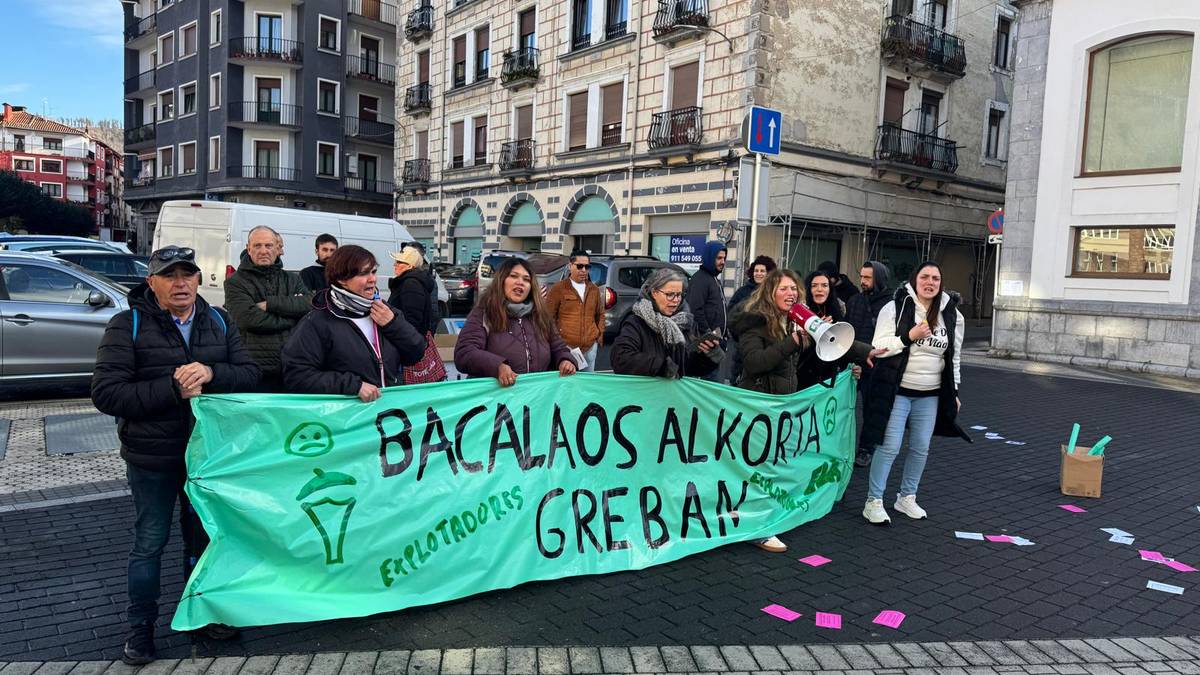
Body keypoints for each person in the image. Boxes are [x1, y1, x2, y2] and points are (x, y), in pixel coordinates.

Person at [90, 245, 260, 665]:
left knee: (203, 540)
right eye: (170, 275)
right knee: (150, 542)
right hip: (153, 459)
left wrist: (212, 372)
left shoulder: (219, 320)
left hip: (207, 457)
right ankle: (140, 628)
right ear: (152, 283)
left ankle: (202, 614)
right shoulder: (125, 324)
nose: (180, 283)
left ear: (199, 280)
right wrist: (172, 388)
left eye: (188, 274)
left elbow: (251, 374)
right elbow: (106, 393)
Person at [862, 261, 970, 525]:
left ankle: (906, 497)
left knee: (921, 448)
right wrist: (908, 336)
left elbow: (953, 357)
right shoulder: (896, 307)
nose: (930, 282)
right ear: (914, 280)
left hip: (930, 393)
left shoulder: (952, 315)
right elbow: (879, 346)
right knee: (890, 447)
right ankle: (873, 501)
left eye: (935, 277)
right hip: (897, 390)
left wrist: (953, 391)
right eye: (925, 277)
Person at [282, 246, 426, 399]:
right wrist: (353, 386)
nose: (373, 279)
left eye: (373, 271)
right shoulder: (318, 321)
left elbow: (416, 353)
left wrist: (393, 324)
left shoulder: (386, 311)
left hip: (389, 412)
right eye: (363, 273)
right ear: (342, 280)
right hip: (348, 418)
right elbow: (296, 375)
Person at [454, 257, 577, 386]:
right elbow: (465, 353)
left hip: (535, 396)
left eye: (526, 279)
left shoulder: (541, 315)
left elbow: (559, 348)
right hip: (495, 400)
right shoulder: (484, 312)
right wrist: (498, 366)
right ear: (502, 281)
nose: (520, 282)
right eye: (514, 276)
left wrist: (565, 360)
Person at [224, 226, 312, 391]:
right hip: (257, 370)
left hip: (292, 367)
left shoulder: (292, 279)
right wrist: (293, 316)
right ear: (248, 249)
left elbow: (309, 305)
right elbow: (250, 320)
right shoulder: (235, 282)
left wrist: (270, 304)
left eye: (268, 245)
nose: (263, 251)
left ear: (278, 249)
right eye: (257, 246)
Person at [611, 268, 721, 379]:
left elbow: (688, 368)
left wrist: (707, 356)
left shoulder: (686, 322)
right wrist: (661, 366)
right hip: (646, 394)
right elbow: (621, 359)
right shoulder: (636, 322)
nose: (675, 300)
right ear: (654, 293)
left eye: (679, 295)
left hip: (675, 394)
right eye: (670, 294)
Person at [845, 260, 893, 467]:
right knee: (844, 406)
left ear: (878, 279)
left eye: (867, 278)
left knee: (871, 409)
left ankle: (866, 449)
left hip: (877, 365)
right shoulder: (855, 300)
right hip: (852, 363)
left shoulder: (891, 304)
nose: (862, 281)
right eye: (862, 276)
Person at [545, 250, 605, 372]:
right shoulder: (558, 289)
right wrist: (557, 341)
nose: (583, 270)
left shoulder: (594, 289)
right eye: (579, 266)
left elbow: (600, 313)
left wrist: (599, 334)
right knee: (568, 385)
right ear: (570, 266)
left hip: (590, 347)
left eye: (587, 267)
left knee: (587, 385)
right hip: (567, 348)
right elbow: (548, 317)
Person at [726, 255, 776, 385]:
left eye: (762, 271)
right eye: (756, 270)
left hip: (768, 344)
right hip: (744, 344)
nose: (758, 274)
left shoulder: (774, 293)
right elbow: (731, 314)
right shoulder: (743, 292)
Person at [685, 241, 728, 381]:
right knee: (708, 388)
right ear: (710, 258)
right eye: (719, 258)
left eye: (724, 258)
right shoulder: (700, 280)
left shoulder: (714, 279)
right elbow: (695, 311)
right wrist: (708, 334)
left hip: (714, 343)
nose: (722, 262)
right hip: (705, 346)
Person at [387, 247, 438, 334]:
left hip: (407, 340)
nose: (395, 265)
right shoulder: (409, 281)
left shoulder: (411, 283)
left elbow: (412, 320)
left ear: (410, 266)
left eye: (399, 262)